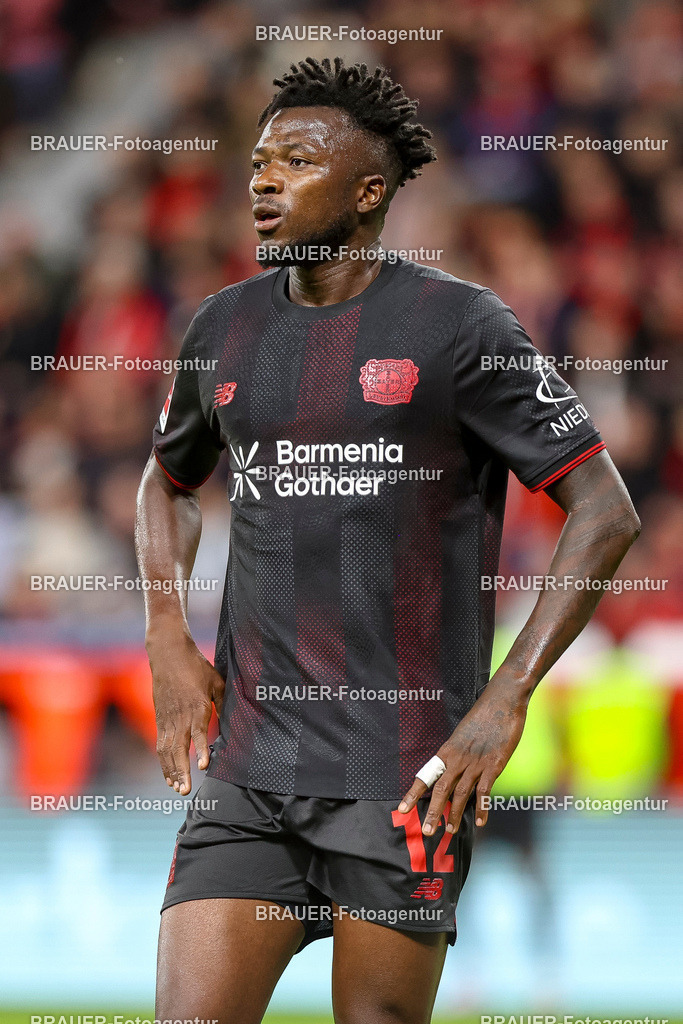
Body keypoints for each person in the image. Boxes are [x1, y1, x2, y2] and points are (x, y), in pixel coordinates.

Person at [135, 57, 640, 1024]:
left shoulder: (457, 325)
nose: (264, 181)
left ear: (368, 192)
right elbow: (167, 482)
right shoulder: (223, 329)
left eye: (294, 161)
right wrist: (164, 629)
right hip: (250, 764)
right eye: (257, 162)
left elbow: (605, 511)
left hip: (403, 774)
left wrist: (505, 698)